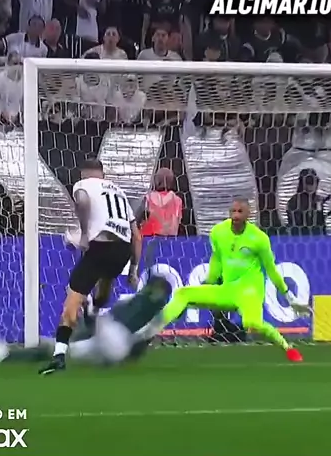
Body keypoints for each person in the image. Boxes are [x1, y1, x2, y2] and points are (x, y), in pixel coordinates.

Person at [158, 198, 308, 361]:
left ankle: (287, 347)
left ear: (248, 214)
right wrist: (210, 282)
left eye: (240, 212)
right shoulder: (218, 232)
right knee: (183, 293)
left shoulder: (259, 238)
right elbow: (217, 259)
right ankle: (152, 329)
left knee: (252, 323)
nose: (235, 215)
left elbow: (271, 270)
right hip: (228, 290)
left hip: (250, 291)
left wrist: (289, 297)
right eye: (233, 211)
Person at [40, 158, 141, 375]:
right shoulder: (119, 192)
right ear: (102, 173)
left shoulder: (83, 185)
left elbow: (83, 202)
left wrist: (84, 234)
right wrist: (133, 270)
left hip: (99, 247)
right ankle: (94, 310)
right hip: (122, 251)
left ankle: (59, 356)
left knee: (71, 305)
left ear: (83, 173)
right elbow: (137, 236)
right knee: (106, 282)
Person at [0, 275, 172, 367]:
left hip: (115, 337)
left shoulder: (140, 305)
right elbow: (142, 342)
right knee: (59, 351)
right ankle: (7, 357)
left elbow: (141, 337)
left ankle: (88, 308)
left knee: (96, 324)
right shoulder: (155, 315)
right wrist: (125, 359)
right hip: (114, 346)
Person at [137, 167, 183, 236]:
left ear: (157, 180)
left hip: (150, 238)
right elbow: (179, 221)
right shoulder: (178, 201)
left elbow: (137, 220)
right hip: (171, 239)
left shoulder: (149, 198)